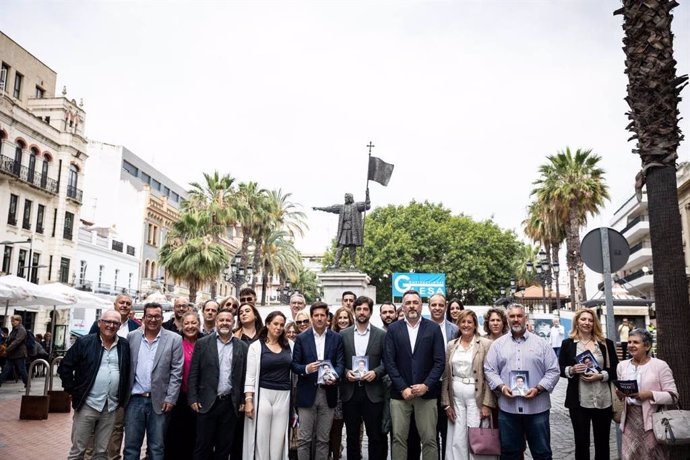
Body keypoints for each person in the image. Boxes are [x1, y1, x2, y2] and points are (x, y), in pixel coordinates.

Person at [484, 303, 560, 460]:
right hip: (508, 409)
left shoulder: (542, 344)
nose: (516, 319)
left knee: (542, 453)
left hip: (537, 409)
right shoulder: (498, 345)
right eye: (512, 316)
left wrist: (539, 388)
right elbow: (489, 370)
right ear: (508, 319)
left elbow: (553, 370)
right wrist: (502, 387)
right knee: (510, 454)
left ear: (525, 318)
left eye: (519, 316)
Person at [59, 310, 131, 460]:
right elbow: (65, 366)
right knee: (78, 451)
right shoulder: (85, 342)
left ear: (119, 326)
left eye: (115, 323)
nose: (111, 325)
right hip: (87, 404)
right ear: (99, 323)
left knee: (101, 452)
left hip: (111, 406)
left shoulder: (124, 345)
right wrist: (72, 390)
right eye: (107, 322)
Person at [383, 290, 446, 460]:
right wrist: (402, 387)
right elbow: (389, 362)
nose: (412, 306)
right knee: (398, 439)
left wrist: (426, 385)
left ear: (421, 306)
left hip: (426, 394)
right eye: (408, 303)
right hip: (400, 395)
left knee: (430, 439)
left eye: (415, 302)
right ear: (402, 307)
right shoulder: (394, 329)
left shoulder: (433, 329)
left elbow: (440, 361)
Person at [123, 303, 184, 460]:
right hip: (134, 400)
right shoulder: (132, 337)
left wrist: (171, 398)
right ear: (143, 318)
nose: (153, 319)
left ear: (162, 318)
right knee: (130, 447)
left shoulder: (174, 339)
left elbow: (177, 371)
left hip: (160, 401)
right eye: (149, 316)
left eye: (157, 316)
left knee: (157, 448)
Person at [188, 308, 248, 459]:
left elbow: (244, 376)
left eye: (228, 320)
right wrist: (193, 398)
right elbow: (194, 373)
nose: (224, 323)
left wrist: (242, 399)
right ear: (216, 322)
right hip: (206, 402)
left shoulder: (242, 346)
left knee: (224, 447)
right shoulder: (202, 343)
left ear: (233, 323)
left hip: (229, 404)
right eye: (221, 320)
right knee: (202, 446)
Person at [291, 301, 345, 460]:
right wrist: (306, 369)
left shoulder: (336, 338)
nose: (320, 318)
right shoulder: (301, 338)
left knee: (323, 439)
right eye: (316, 315)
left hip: (328, 393)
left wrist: (335, 376)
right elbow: (294, 365)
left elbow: (340, 363)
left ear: (327, 317)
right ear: (312, 317)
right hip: (307, 393)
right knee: (304, 439)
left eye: (323, 315)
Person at [441, 310, 495, 460]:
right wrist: (446, 404)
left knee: (476, 434)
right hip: (456, 398)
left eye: (469, 322)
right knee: (457, 437)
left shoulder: (485, 344)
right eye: (463, 322)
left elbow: (490, 376)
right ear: (458, 324)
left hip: (476, 398)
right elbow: (446, 375)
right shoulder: (452, 345)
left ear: (475, 324)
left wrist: (487, 404)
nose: (466, 325)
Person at [615, 329, 677, 460]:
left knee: (651, 455)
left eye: (636, 342)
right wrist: (620, 394)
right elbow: (622, 396)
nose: (631, 345)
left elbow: (673, 396)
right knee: (629, 456)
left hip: (651, 420)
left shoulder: (660, 366)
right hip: (629, 420)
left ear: (647, 346)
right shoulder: (622, 366)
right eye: (629, 342)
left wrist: (649, 394)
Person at [341, 295, 387, 460]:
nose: (362, 312)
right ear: (353, 311)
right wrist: (346, 372)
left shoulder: (381, 335)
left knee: (375, 436)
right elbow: (337, 361)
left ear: (371, 312)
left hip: (373, 392)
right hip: (350, 392)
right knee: (352, 437)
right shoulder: (343, 334)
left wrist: (376, 372)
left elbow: (387, 362)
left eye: (365, 309)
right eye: (359, 309)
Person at [243, 311, 294, 459]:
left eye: (281, 325)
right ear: (267, 324)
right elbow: (250, 376)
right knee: (261, 439)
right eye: (275, 324)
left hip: (284, 395)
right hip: (263, 395)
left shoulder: (290, 345)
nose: (278, 328)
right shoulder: (256, 347)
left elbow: (297, 367)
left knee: (278, 441)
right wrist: (248, 400)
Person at [165, 311, 203, 460]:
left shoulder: (205, 342)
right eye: (186, 323)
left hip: (199, 397)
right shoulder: (176, 342)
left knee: (196, 435)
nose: (190, 326)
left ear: (199, 324)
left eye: (194, 323)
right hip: (179, 395)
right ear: (181, 325)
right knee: (177, 434)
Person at [428, 293, 458, 459]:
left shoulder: (455, 330)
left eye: (440, 305)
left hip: (450, 387)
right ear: (429, 307)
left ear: (445, 307)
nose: (437, 308)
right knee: (430, 433)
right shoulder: (422, 328)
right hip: (429, 387)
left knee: (448, 431)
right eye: (434, 305)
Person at [313, 191, 371, 269]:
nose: (345, 199)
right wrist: (318, 208)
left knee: (352, 248)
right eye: (345, 198)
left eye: (346, 198)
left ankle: (353, 264)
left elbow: (367, 206)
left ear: (350, 198)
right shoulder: (341, 207)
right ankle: (336, 264)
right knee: (340, 247)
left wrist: (367, 195)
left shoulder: (356, 206)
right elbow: (330, 208)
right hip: (343, 230)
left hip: (352, 231)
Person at [329, 305, 353, 460]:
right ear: (335, 321)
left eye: (346, 317)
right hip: (335, 387)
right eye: (340, 318)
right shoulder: (330, 337)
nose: (343, 321)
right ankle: (334, 454)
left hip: (352, 386)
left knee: (352, 428)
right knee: (334, 426)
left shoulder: (355, 335)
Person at [0, 315, 28, 387]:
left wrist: (7, 349)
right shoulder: (14, 329)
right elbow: (11, 339)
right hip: (12, 353)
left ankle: (27, 384)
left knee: (22, 370)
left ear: (19, 321)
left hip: (19, 354)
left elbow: (17, 341)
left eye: (15, 320)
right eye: (12, 321)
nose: (13, 322)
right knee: (6, 369)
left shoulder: (21, 329)